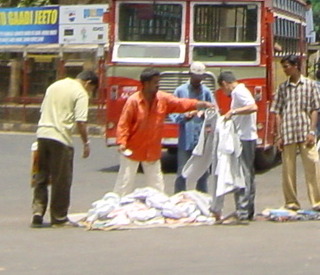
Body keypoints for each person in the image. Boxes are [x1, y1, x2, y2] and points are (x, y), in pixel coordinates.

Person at [113, 67, 201, 197]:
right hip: (133, 149)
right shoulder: (133, 101)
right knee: (125, 184)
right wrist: (122, 142)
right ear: (146, 84)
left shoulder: (162, 99)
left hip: (152, 150)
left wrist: (198, 104)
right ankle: (118, 209)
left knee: (157, 186)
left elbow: (179, 103)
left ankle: (160, 209)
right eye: (155, 82)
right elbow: (124, 124)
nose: (158, 85)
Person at [31, 66, 99, 227]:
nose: (90, 93)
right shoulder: (80, 93)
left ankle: (37, 211)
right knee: (61, 180)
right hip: (61, 138)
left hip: (42, 135)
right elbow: (81, 122)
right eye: (92, 89)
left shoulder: (54, 86)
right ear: (88, 83)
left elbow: (43, 110)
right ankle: (59, 218)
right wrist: (86, 143)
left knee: (41, 177)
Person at [269, 55, 320, 211]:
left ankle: (318, 201)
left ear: (296, 66)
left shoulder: (309, 85)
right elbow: (277, 111)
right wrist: (278, 134)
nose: (285, 70)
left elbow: (315, 108)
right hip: (288, 131)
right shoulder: (282, 88)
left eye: (287, 66)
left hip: (305, 130)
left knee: (312, 164)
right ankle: (291, 202)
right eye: (283, 67)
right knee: (288, 169)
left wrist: (312, 130)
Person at [216, 71, 258, 221]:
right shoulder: (239, 92)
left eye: (223, 89)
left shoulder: (239, 92)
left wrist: (233, 112)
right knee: (247, 173)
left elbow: (253, 107)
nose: (224, 93)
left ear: (225, 84)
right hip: (245, 137)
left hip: (244, 138)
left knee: (242, 173)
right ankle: (248, 209)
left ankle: (243, 210)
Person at [171, 62, 217, 194]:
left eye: (200, 77)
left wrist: (205, 114)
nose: (197, 80)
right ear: (190, 74)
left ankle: (202, 197)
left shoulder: (206, 92)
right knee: (182, 171)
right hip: (186, 136)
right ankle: (179, 197)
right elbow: (173, 111)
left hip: (202, 137)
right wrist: (185, 117)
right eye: (195, 76)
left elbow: (214, 110)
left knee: (203, 171)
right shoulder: (181, 91)